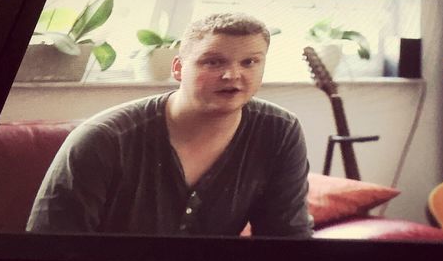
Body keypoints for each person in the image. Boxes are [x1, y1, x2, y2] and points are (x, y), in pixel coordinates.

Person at [27, 13, 312, 238]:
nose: (232, 75)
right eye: (213, 62)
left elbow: (287, 238)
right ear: (178, 68)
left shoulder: (280, 131)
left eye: (249, 62)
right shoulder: (104, 139)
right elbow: (50, 247)